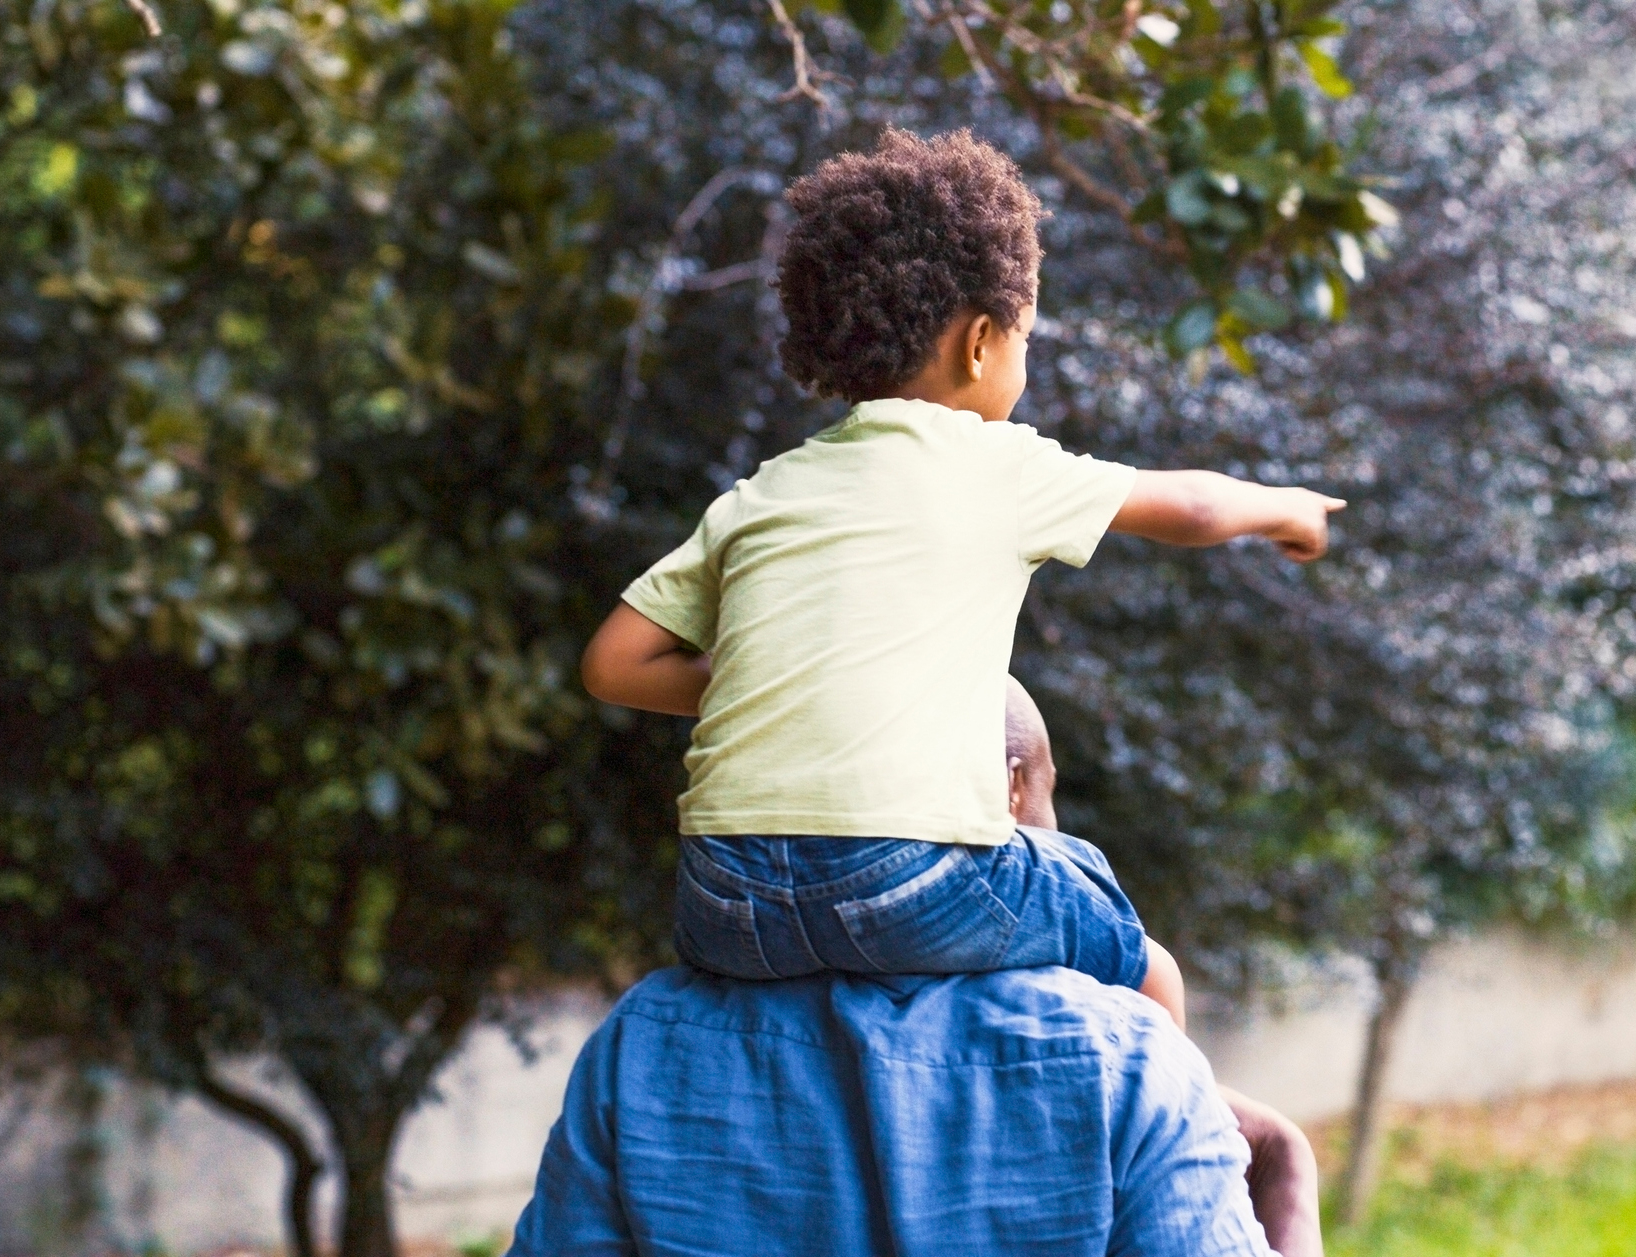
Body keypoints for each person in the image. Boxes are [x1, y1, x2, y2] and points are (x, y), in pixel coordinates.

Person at [577, 127, 1344, 1029]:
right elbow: (1198, 511)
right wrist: (1288, 507)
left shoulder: (762, 493)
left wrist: (782, 681)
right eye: (1027, 335)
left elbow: (614, 665)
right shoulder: (993, 463)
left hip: (724, 899)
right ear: (981, 341)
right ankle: (1162, 1135)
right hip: (905, 879)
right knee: (1145, 965)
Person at [504, 679, 1323, 1257]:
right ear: (1008, 789)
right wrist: (1285, 1174)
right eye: (1046, 787)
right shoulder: (1130, 1059)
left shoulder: (645, 1040)